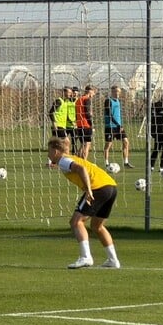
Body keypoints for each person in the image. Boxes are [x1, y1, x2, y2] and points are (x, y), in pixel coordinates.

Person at [47, 137, 121, 269]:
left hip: (98, 188)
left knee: (76, 222)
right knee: (97, 226)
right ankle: (113, 260)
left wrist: (88, 189)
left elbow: (81, 169)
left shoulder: (63, 160)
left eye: (49, 151)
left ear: (56, 151)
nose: (48, 154)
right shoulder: (70, 158)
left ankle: (86, 257)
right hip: (111, 187)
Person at [103, 85, 133, 168]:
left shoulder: (118, 101)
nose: (117, 93)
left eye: (119, 92)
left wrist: (120, 125)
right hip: (110, 127)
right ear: (112, 92)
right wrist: (118, 124)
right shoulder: (108, 101)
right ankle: (106, 163)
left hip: (119, 126)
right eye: (116, 91)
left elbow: (118, 115)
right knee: (108, 145)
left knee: (126, 142)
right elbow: (109, 114)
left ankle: (126, 162)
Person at [48, 86, 73, 164]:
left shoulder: (65, 102)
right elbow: (51, 112)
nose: (71, 94)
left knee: (55, 144)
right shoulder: (59, 101)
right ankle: (68, 161)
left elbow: (63, 114)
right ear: (64, 92)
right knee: (67, 142)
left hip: (62, 125)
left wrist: (71, 121)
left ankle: (51, 161)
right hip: (58, 126)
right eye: (69, 92)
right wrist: (54, 122)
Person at [75, 85, 97, 159]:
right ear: (90, 91)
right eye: (94, 92)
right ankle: (84, 162)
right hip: (86, 124)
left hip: (79, 125)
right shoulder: (87, 99)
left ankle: (78, 162)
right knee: (87, 145)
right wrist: (91, 124)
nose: (94, 94)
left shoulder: (78, 100)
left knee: (82, 144)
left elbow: (76, 114)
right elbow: (87, 113)